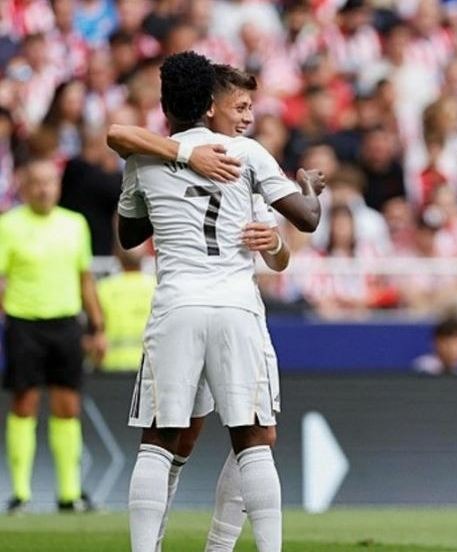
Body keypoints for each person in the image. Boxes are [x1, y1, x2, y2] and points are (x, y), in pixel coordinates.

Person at [117, 51, 321, 552]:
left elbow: (128, 236)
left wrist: (169, 185)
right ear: (211, 104)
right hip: (235, 306)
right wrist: (309, 188)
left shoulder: (144, 157)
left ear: (164, 104)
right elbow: (309, 218)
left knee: (158, 441)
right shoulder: (245, 154)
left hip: (177, 306)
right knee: (253, 440)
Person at [0, 158, 107, 513]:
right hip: (24, 323)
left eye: (50, 182)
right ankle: (20, 493)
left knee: (67, 406)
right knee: (24, 403)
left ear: (58, 187)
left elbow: (85, 279)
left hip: (65, 324)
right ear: (25, 187)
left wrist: (97, 327)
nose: (44, 189)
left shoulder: (74, 224)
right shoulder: (8, 225)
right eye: (37, 182)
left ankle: (69, 493)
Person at [96, 241, 154, 372]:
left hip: (112, 367)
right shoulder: (156, 287)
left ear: (117, 257)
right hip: (148, 367)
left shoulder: (103, 288)